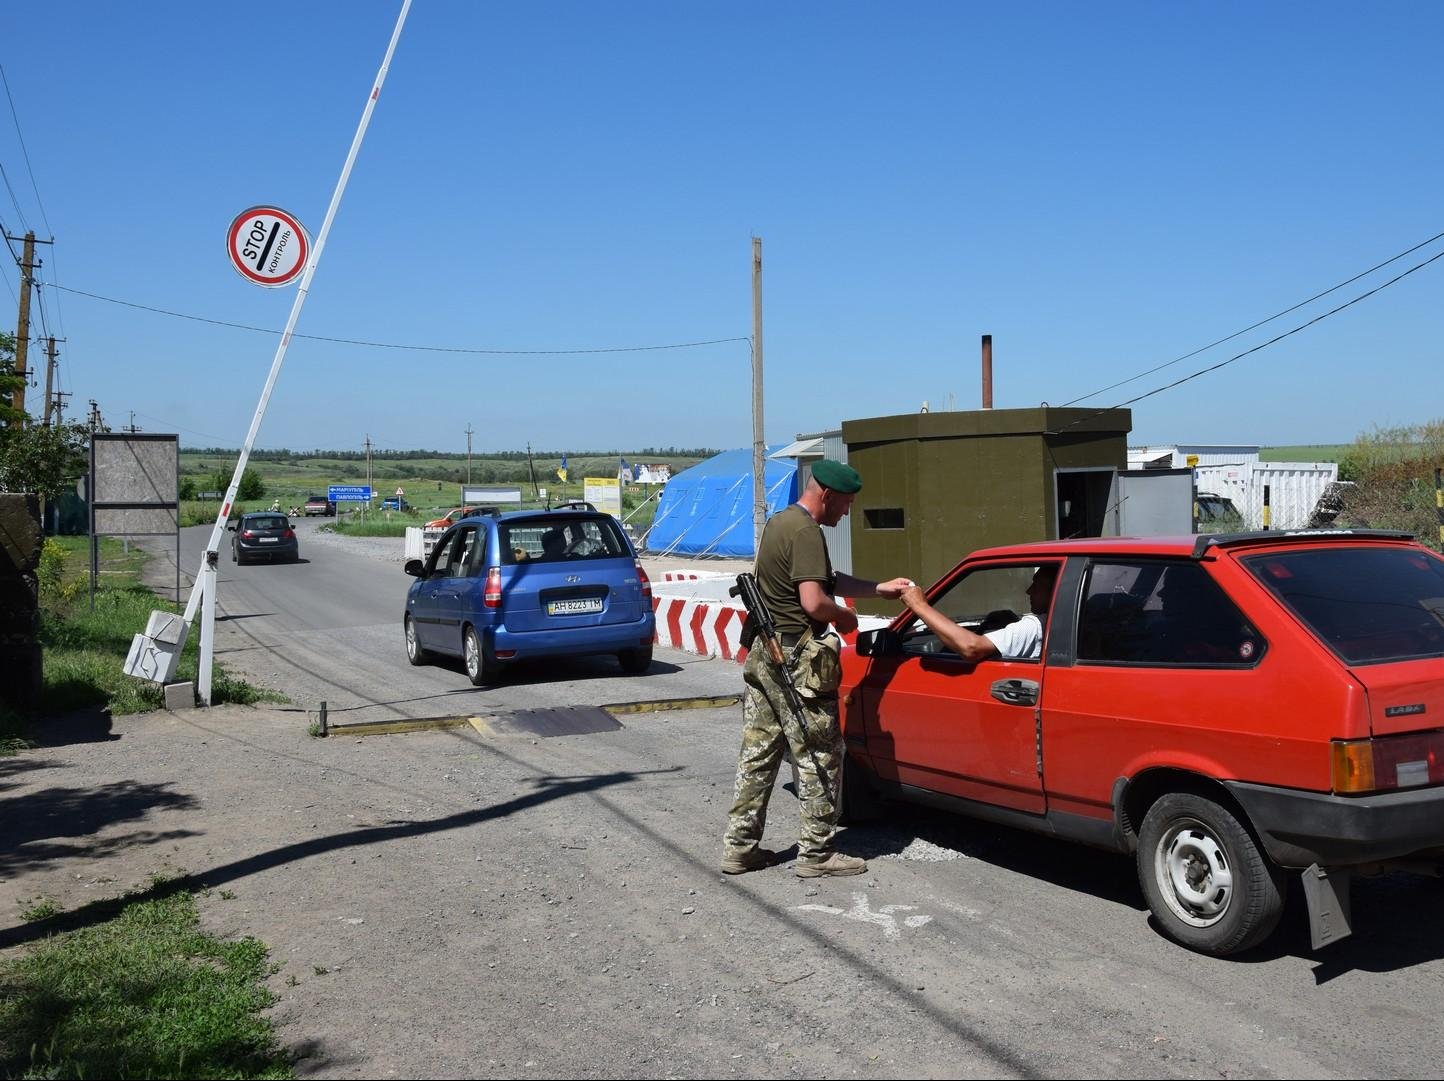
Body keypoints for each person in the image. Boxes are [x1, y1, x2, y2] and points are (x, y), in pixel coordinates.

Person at [721, 460, 913, 878]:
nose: (846, 512)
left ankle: (740, 847)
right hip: (798, 659)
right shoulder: (808, 532)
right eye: (846, 503)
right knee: (820, 753)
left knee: (759, 752)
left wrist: (878, 589)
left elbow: (824, 579)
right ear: (827, 494)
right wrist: (844, 619)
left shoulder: (782, 523)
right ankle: (817, 854)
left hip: (765, 654)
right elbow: (813, 600)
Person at [899, 564, 1060, 662]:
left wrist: (920, 605)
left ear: (1055, 591)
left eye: (1038, 586)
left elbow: (972, 648)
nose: (1029, 591)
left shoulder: (1036, 626)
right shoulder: (1064, 622)